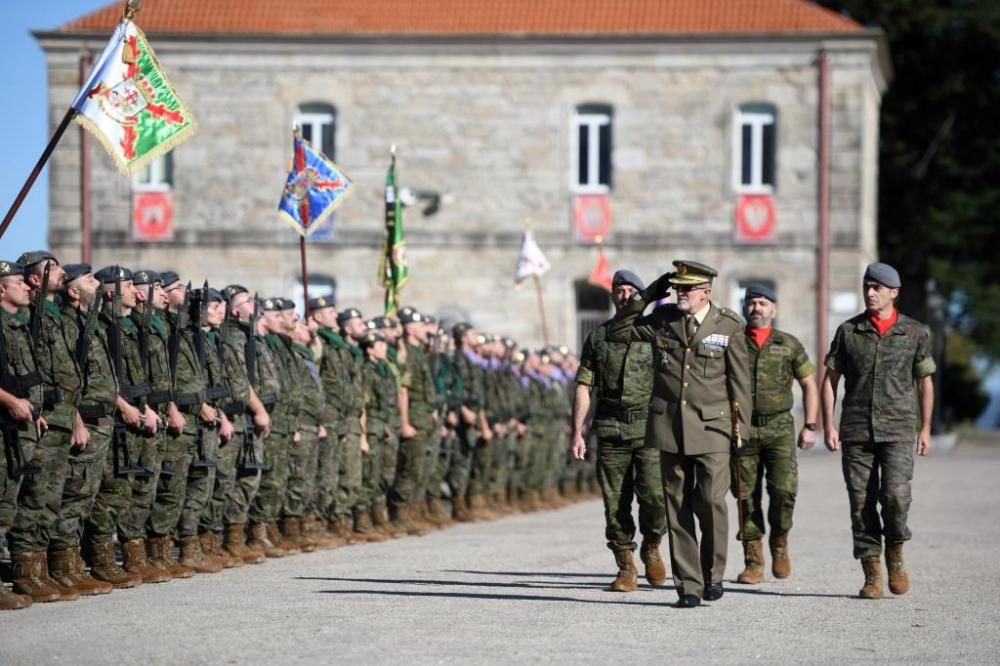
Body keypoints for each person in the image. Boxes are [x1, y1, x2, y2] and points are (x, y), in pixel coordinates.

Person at [608, 260, 750, 608]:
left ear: (706, 291)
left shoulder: (728, 325)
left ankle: (712, 573)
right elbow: (618, 329)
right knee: (677, 508)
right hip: (669, 427)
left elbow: (740, 383)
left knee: (711, 500)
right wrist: (652, 292)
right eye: (677, 287)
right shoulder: (663, 318)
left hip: (713, 428)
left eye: (688, 288)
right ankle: (689, 584)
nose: (680, 293)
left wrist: (740, 434)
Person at [822, 262, 935, 599]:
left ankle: (896, 555)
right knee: (861, 505)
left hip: (899, 430)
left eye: (877, 288)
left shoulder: (915, 332)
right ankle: (872, 573)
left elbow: (924, 382)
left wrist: (926, 427)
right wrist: (828, 422)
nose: (870, 293)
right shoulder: (848, 332)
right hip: (856, 431)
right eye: (866, 286)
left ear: (893, 293)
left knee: (896, 498)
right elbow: (830, 380)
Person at [573, 269, 667, 592]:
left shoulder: (653, 331)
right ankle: (626, 564)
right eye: (619, 290)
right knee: (615, 502)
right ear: (612, 296)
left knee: (655, 497)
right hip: (611, 427)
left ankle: (652, 545)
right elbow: (584, 386)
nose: (624, 295)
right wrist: (577, 431)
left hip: (649, 428)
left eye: (631, 290)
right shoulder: (598, 338)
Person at [732, 283, 818, 584]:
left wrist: (810, 425)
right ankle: (753, 561)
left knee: (783, 490)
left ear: (774, 309)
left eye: (763, 303)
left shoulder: (788, 344)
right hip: (741, 428)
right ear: (745, 308)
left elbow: (809, 383)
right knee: (745, 495)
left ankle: (779, 542)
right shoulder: (732, 342)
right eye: (752, 303)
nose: (757, 308)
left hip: (779, 428)